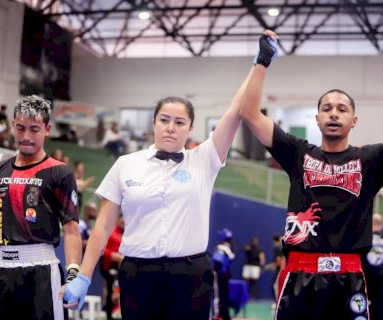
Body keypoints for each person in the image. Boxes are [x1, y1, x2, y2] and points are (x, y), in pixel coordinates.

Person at [240, 30, 383, 319]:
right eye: (327, 109)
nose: (334, 114)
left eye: (342, 109)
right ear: (317, 119)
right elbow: (249, 113)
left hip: (349, 275)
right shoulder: (298, 152)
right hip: (299, 273)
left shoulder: (372, 159)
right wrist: (262, 60)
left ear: (354, 120)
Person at [63, 64, 256, 320]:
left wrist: (258, 65)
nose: (170, 127)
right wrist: (84, 277)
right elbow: (103, 225)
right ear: (153, 123)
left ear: (190, 128)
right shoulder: (125, 164)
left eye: (179, 122)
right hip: (138, 274)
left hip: (190, 276)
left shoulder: (204, 160)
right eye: (164, 120)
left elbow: (234, 111)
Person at [0, 95, 83, 320]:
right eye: (21, 128)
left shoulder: (59, 172)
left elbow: (71, 229)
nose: (26, 136)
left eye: (34, 129)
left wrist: (73, 272)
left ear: (47, 129)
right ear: (13, 125)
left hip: (42, 270)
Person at [100, 215, 124, 320]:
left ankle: (118, 312)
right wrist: (112, 255)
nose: (123, 223)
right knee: (112, 289)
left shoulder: (126, 233)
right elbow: (102, 249)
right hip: (109, 266)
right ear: (118, 220)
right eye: (121, 221)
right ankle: (110, 314)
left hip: (122, 267)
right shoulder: (111, 232)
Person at [211, 228, 235, 320]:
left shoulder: (222, 248)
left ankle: (218, 314)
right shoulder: (228, 248)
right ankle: (224, 314)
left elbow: (217, 261)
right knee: (223, 296)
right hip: (225, 274)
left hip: (220, 275)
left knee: (219, 295)